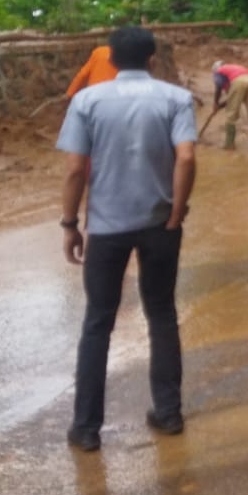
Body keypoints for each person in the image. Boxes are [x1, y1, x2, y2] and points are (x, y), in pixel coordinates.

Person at [56, 26, 197, 452]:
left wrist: (69, 224)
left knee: (98, 322)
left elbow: (76, 170)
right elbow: (187, 157)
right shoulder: (176, 99)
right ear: (152, 60)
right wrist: (176, 210)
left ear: (111, 60)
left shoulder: (87, 101)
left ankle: (86, 428)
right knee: (162, 315)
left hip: (106, 229)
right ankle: (168, 413)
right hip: (160, 226)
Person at [212, 60, 248, 151]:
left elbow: (218, 89)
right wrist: (220, 106)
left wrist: (215, 103)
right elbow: (231, 98)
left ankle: (229, 145)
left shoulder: (219, 72)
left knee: (230, 116)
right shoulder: (233, 69)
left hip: (239, 83)